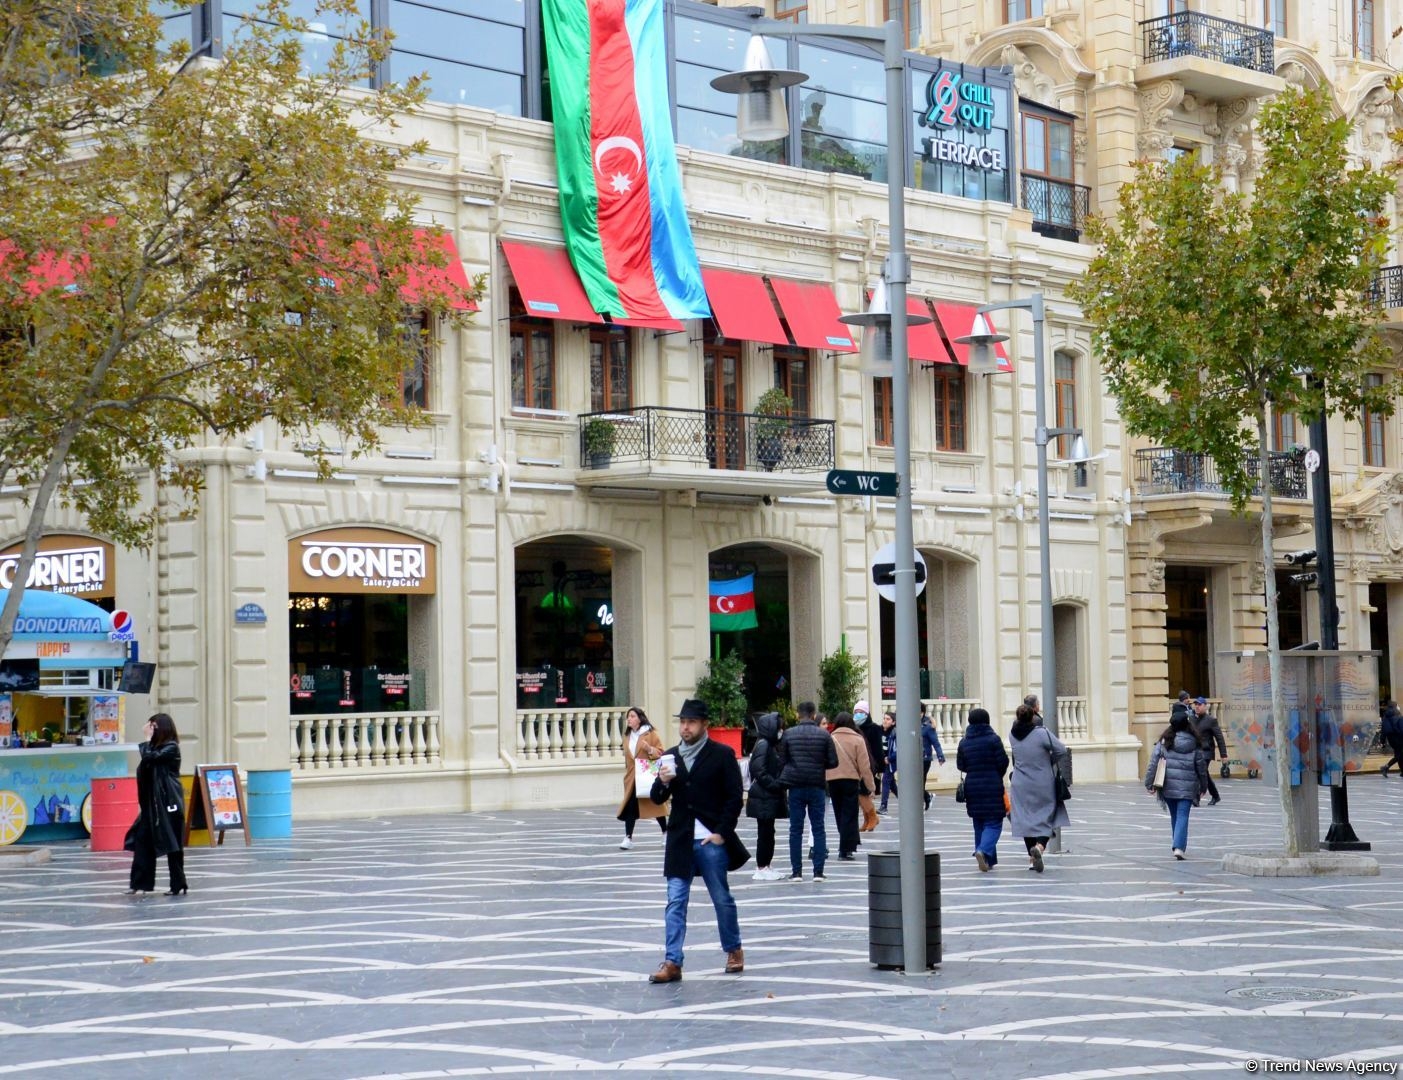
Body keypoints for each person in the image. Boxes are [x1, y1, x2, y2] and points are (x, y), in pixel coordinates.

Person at [646, 698, 746, 983]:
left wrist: (721, 834)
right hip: (680, 839)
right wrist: (663, 781)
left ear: (704, 725)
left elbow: (733, 797)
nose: (685, 727)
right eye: (682, 722)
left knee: (721, 898)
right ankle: (672, 961)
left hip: (709, 839)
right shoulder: (671, 756)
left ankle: (733, 949)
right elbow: (656, 798)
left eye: (691, 722)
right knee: (675, 900)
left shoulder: (721, 754)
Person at [123, 712, 188, 897]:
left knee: (172, 845)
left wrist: (146, 739)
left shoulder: (171, 748)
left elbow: (151, 758)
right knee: (142, 842)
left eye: (153, 726)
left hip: (168, 804)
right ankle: (139, 883)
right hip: (152, 807)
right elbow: (148, 760)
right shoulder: (155, 747)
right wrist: (149, 741)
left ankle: (178, 884)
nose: (149, 729)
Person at [777, 699, 837, 882]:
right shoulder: (824, 735)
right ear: (813, 715)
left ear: (798, 715)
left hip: (795, 787)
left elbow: (782, 759)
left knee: (795, 829)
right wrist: (819, 765)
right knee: (818, 828)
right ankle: (818, 871)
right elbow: (834, 762)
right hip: (817, 786)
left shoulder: (788, 734)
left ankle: (797, 872)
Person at [1007, 701, 1071, 872]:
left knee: (1024, 818)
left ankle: (1031, 858)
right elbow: (1061, 750)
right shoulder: (1042, 733)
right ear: (1033, 717)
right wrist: (1048, 761)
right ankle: (1040, 847)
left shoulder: (1012, 735)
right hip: (1042, 780)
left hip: (1020, 782)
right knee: (1048, 814)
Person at [1144, 706, 1209, 859]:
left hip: (1168, 786)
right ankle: (1179, 846)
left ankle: (1177, 844)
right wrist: (1204, 785)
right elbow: (1201, 767)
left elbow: (1153, 763)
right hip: (1187, 786)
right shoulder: (1194, 743)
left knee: (1175, 815)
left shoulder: (1164, 741)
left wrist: (1149, 783)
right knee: (1182, 815)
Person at [956, 707, 1009, 872]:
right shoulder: (993, 739)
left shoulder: (964, 742)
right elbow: (1003, 762)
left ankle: (988, 861)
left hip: (972, 785)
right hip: (992, 784)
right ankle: (983, 850)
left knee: (978, 822)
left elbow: (961, 765)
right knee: (994, 823)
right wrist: (995, 773)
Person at [825, 711, 875, 861]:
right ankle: (845, 849)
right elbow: (864, 766)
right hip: (851, 781)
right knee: (850, 814)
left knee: (839, 813)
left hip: (832, 780)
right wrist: (870, 785)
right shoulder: (857, 739)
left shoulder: (830, 738)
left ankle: (845, 845)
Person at [616, 706, 667, 849]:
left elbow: (661, 752)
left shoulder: (650, 734)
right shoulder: (627, 736)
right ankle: (628, 838)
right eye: (628, 717)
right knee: (630, 807)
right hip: (632, 777)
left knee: (655, 805)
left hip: (647, 775)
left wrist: (649, 749)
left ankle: (665, 832)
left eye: (632, 716)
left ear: (640, 718)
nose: (629, 719)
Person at [746, 711, 788, 880]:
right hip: (763, 797)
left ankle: (766, 865)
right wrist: (775, 784)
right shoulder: (763, 745)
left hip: (767, 796)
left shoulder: (768, 745)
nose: (781, 731)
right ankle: (762, 867)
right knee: (765, 833)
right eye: (779, 728)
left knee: (768, 832)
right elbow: (759, 770)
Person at [1190, 697, 1225, 804]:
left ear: (1205, 706)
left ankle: (1196, 798)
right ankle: (1215, 795)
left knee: (1199, 772)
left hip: (1207, 752)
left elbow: (1219, 737)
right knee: (1204, 773)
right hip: (1196, 751)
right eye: (1195, 704)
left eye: (1199, 705)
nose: (1197, 706)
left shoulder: (1211, 720)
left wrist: (1223, 754)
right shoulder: (1191, 719)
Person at [919, 705, 947, 810]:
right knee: (915, 782)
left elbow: (935, 742)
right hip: (913, 759)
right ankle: (927, 796)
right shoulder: (910, 724)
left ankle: (922, 801)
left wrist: (941, 756)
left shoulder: (928, 726)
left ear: (922, 713)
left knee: (920, 781)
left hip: (925, 758)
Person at [878, 710, 899, 813]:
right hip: (883, 761)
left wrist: (889, 758)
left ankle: (883, 806)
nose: (885, 721)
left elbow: (899, 749)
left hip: (891, 762)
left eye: (888, 719)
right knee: (892, 785)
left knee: (885, 781)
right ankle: (905, 801)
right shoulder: (879, 730)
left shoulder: (895, 733)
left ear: (893, 722)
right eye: (884, 718)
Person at [1379, 700, 1403, 776]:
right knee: (1399, 755)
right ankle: (1386, 767)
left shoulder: (1386, 717)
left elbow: (1384, 730)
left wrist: (1382, 741)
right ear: (1395, 707)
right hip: (1399, 738)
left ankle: (1402, 771)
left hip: (1391, 740)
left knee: (1399, 754)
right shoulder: (1398, 717)